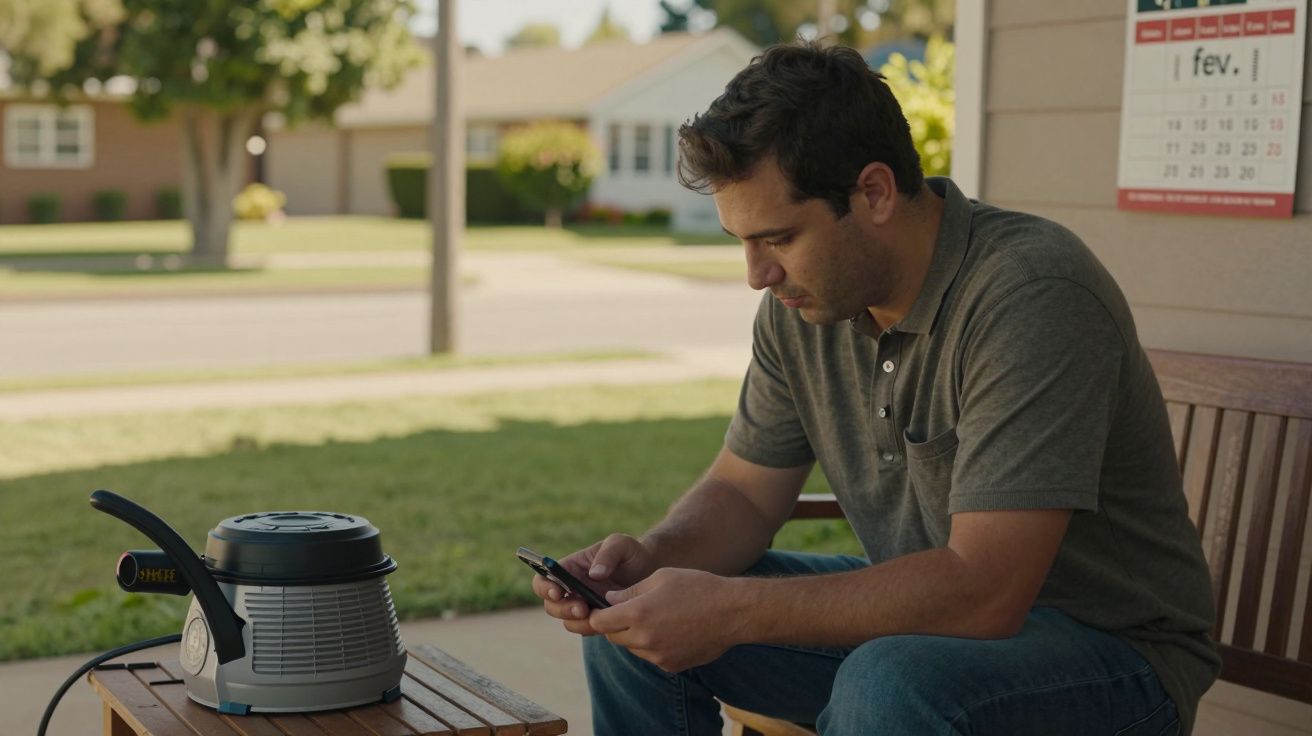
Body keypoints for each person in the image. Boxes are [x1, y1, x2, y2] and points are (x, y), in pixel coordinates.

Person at [532, 40, 1219, 735]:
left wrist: (733, 610)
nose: (757, 275)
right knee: (639, 628)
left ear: (875, 192)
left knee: (889, 680)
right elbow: (743, 492)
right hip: (928, 634)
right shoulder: (805, 305)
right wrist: (650, 559)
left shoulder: (1031, 296)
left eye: (778, 237)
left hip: (1112, 656)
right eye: (742, 241)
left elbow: (987, 593)